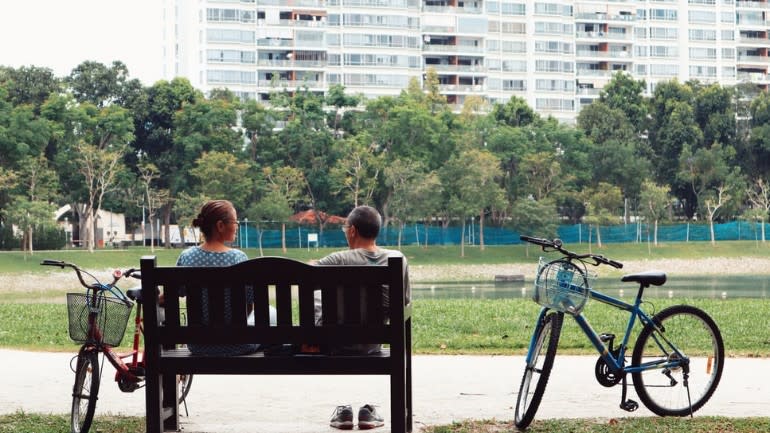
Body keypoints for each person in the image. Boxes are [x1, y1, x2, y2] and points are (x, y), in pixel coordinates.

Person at [315, 205, 410, 430]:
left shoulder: (336, 259)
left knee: (319, 298)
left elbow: (303, 277)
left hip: (334, 344)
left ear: (353, 231)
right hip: (372, 344)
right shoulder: (398, 259)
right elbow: (404, 304)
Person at [176, 199, 275, 356]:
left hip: (198, 345)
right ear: (220, 226)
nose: (237, 226)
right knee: (271, 312)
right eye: (235, 222)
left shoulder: (187, 257)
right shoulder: (238, 258)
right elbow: (249, 306)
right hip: (239, 344)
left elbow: (173, 294)